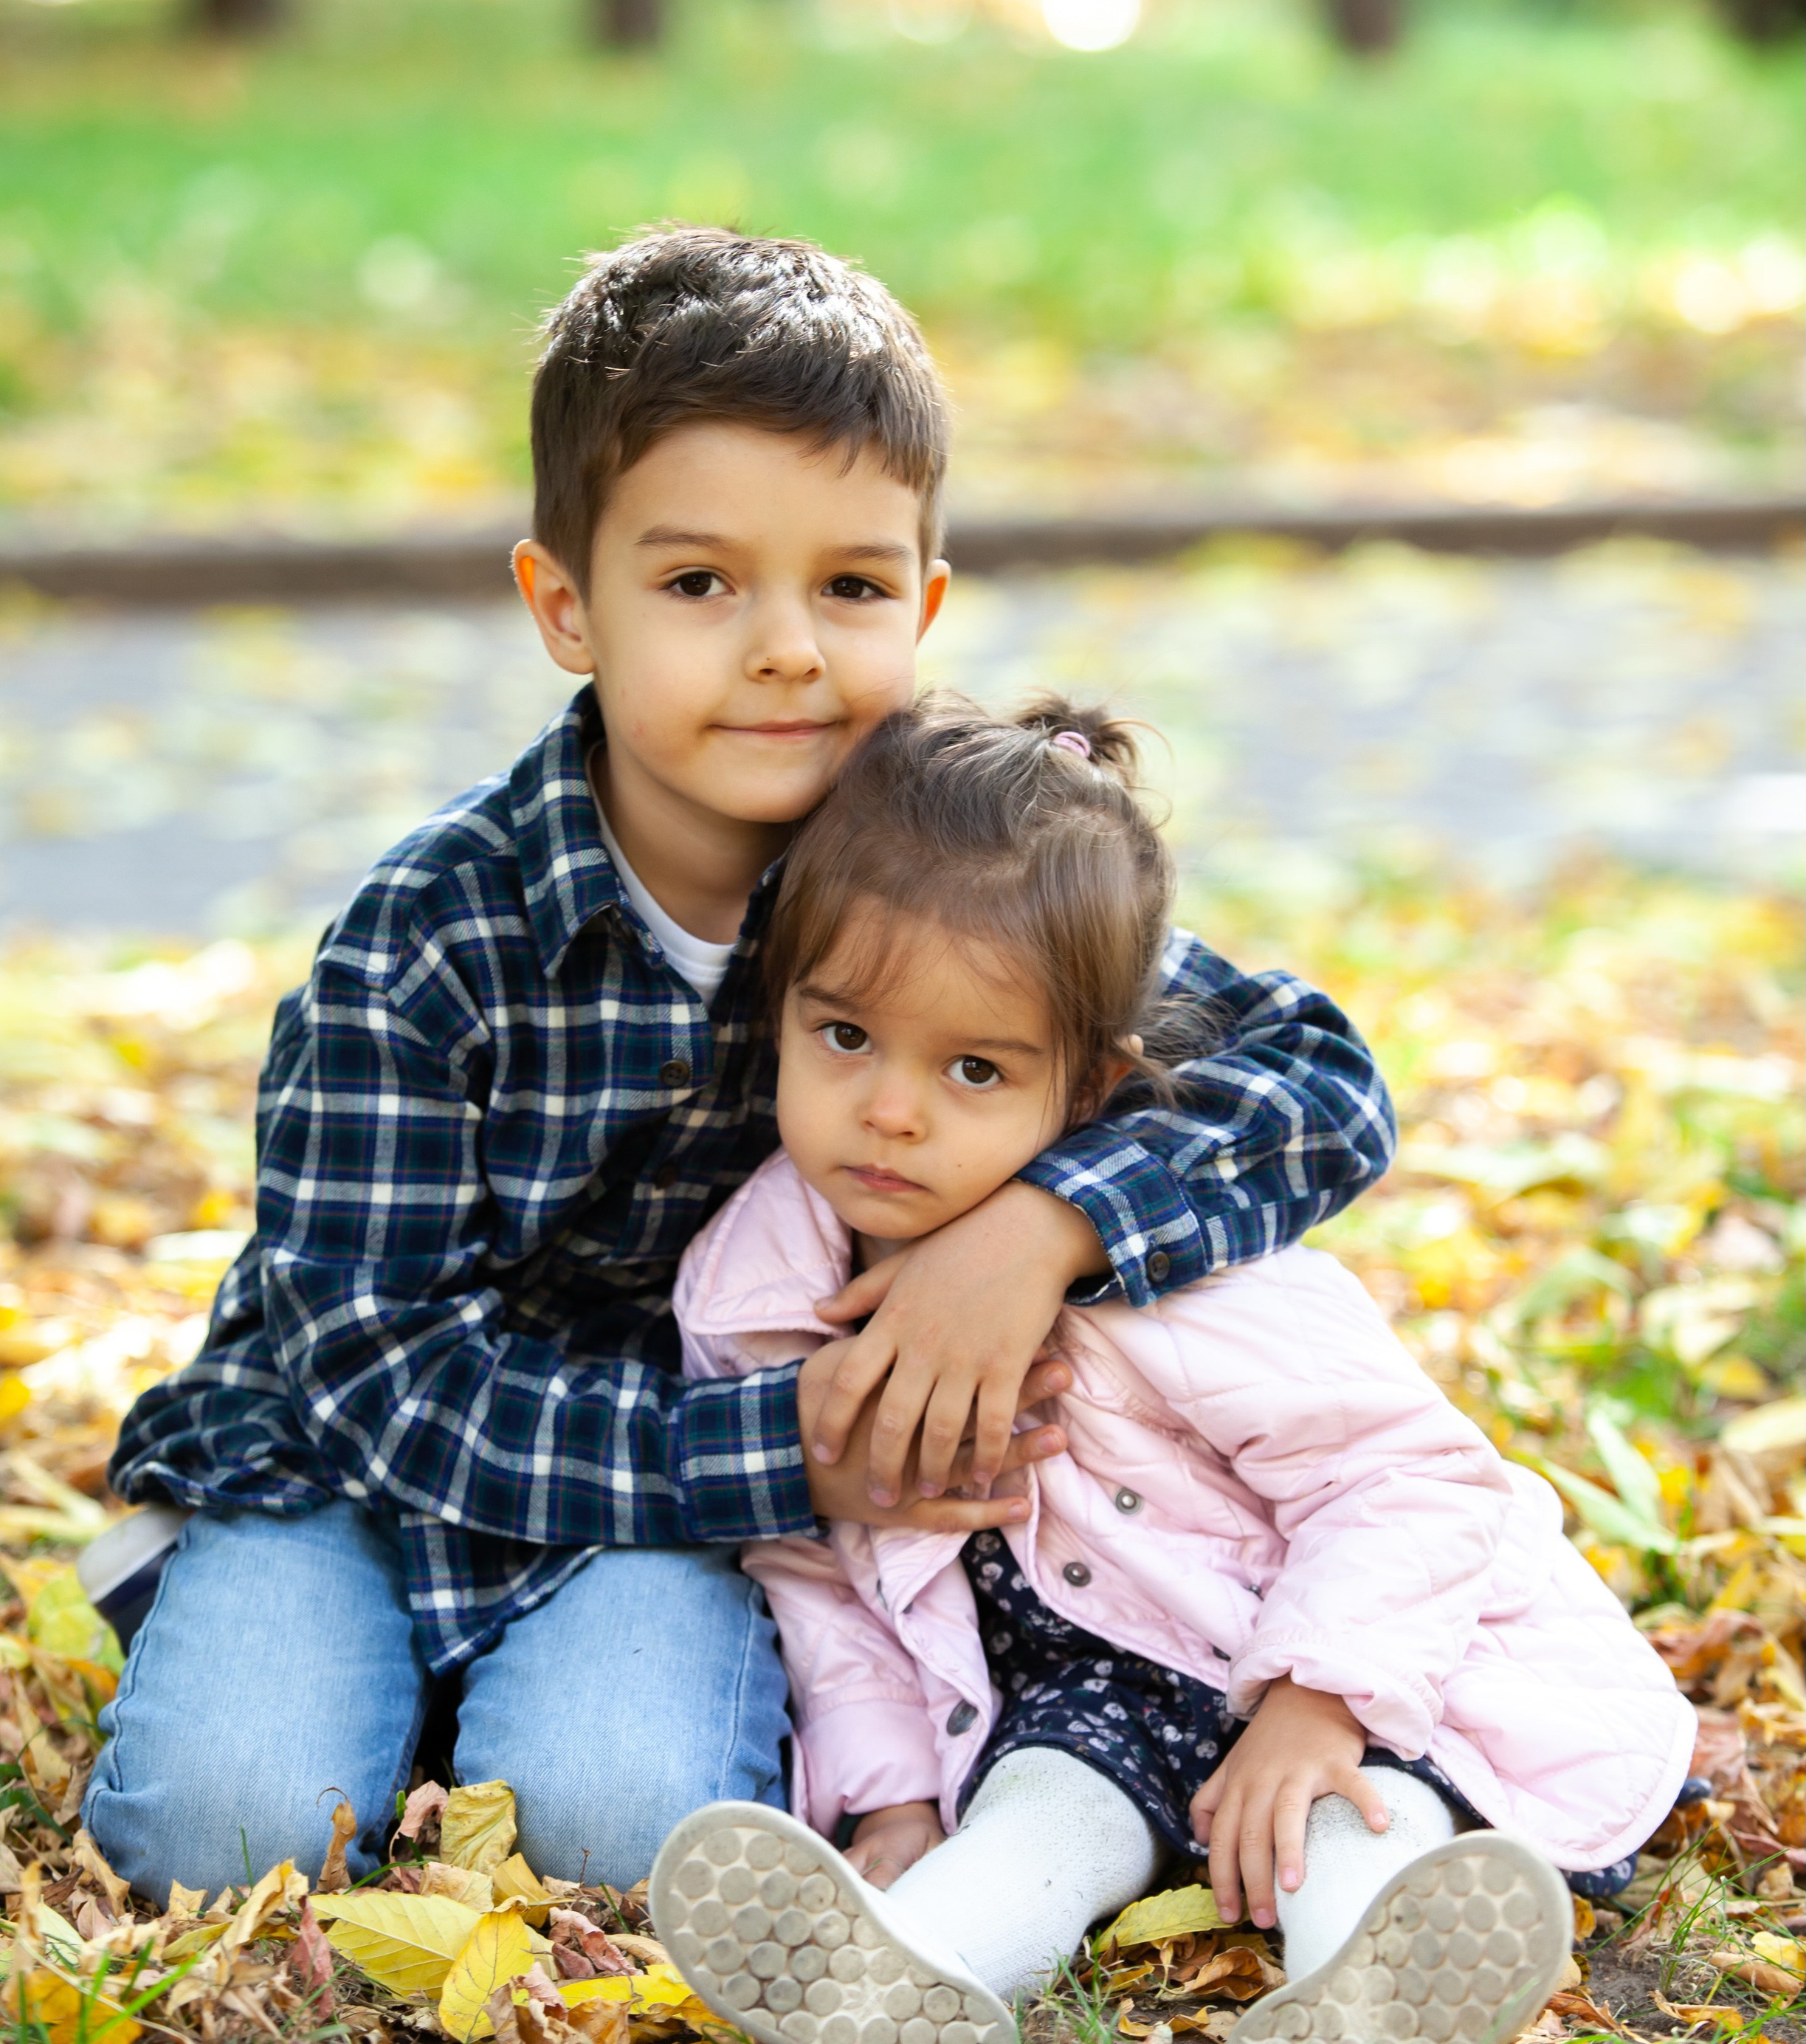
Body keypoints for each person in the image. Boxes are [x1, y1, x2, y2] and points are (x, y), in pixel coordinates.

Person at [83, 230, 1397, 1907]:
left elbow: (1314, 1072)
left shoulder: (937, 882)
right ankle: (241, 1619)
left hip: (678, 1515)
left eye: (847, 588)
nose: (783, 649)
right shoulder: (425, 942)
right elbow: (374, 1373)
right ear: (568, 605)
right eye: (698, 585)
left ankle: (469, 1703)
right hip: (367, 1465)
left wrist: (1042, 1227)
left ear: (920, 608)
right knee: (226, 1838)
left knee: (621, 1836)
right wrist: (785, 1453)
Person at [649, 696, 1695, 2044]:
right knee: (1043, 1805)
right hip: (1099, 1692)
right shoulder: (758, 1291)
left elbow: (1407, 1483)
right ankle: (915, 1968)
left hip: (1321, 1641)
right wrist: (890, 1795)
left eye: (971, 1070)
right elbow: (819, 1576)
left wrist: (1314, 1704)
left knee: (1346, 1820)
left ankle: (1370, 1986)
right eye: (841, 1037)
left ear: (1086, 1086)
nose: (887, 1112)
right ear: (777, 1007)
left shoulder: (1187, 1277)